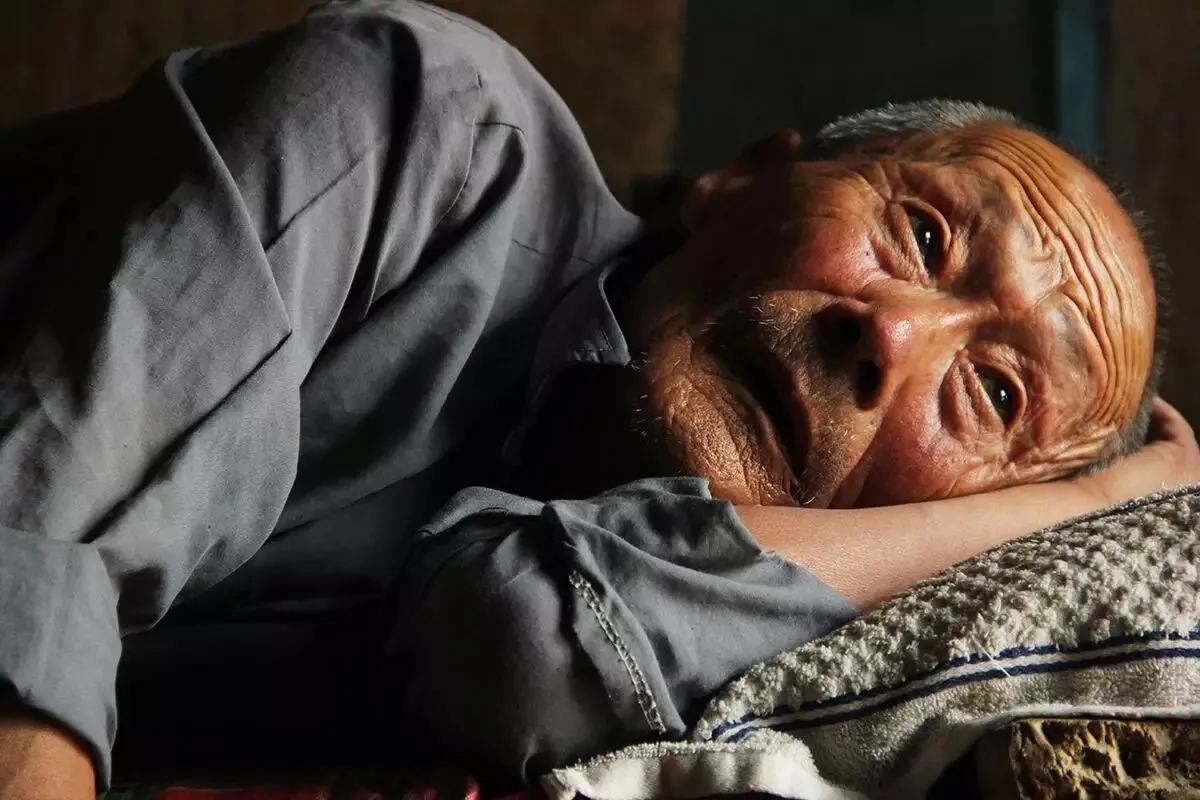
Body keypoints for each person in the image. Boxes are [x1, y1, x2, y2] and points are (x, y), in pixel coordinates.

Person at [0, 1, 1196, 797]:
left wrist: (1074, 510)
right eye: (920, 234)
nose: (889, 335)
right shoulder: (426, 124)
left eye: (992, 391)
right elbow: (26, 555)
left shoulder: (805, 636)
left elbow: (520, 637)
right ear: (740, 180)